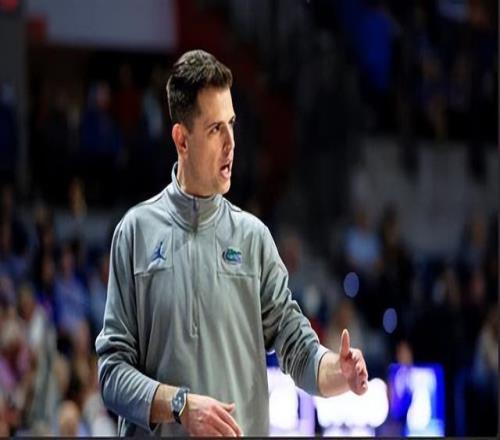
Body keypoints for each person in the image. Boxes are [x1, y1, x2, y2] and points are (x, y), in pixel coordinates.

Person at [95, 49, 368, 436]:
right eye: (214, 129)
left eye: (232, 124)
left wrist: (337, 372)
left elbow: (297, 346)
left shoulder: (254, 238)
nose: (231, 143)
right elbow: (111, 374)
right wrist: (180, 405)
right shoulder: (134, 233)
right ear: (182, 139)